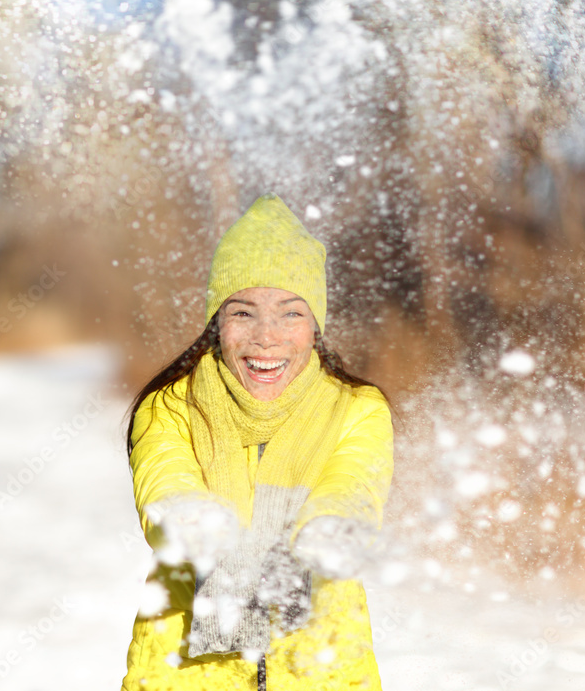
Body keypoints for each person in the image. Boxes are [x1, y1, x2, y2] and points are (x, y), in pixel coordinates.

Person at [120, 194, 394, 691]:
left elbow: (354, 481)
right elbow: (163, 476)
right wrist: (187, 518)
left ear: (315, 326)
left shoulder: (357, 408)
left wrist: (334, 526)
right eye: (243, 313)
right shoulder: (171, 406)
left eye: (290, 314)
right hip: (184, 668)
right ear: (216, 324)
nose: (266, 337)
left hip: (322, 664)